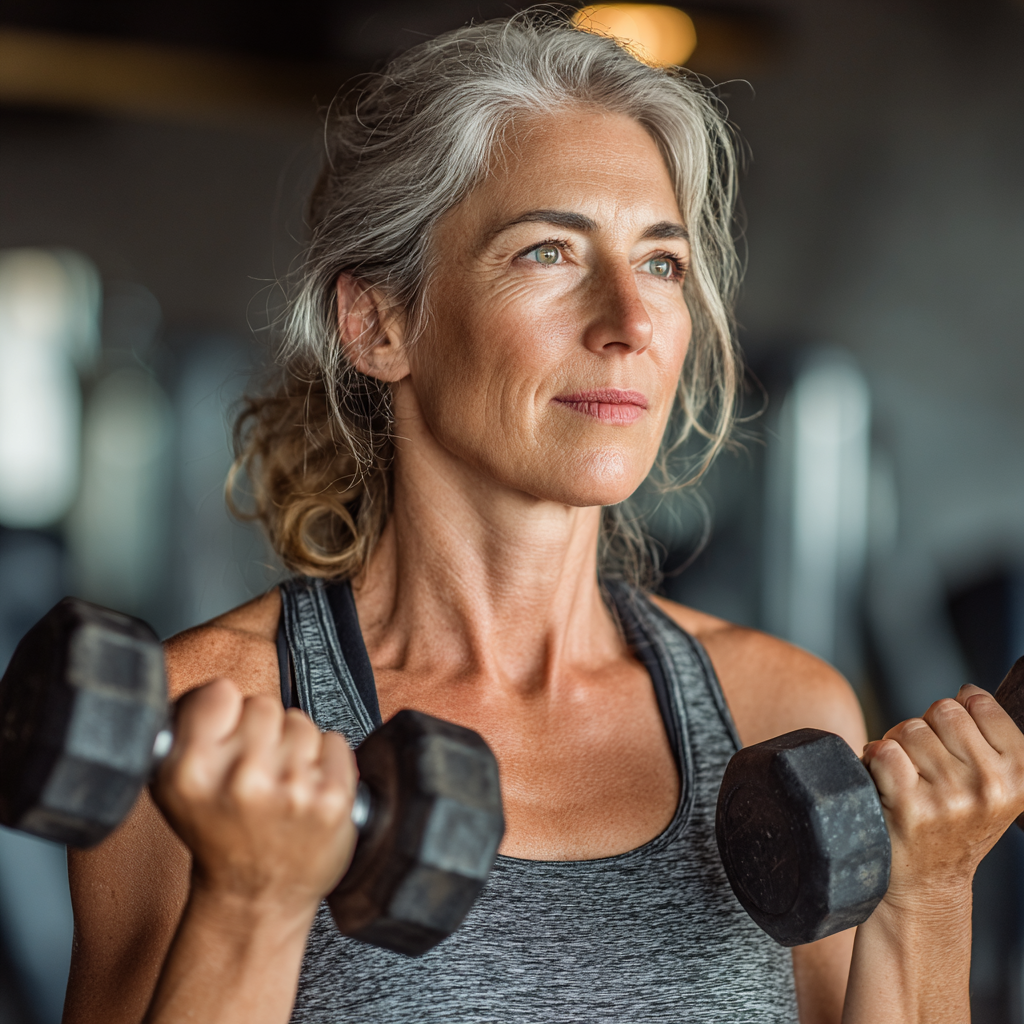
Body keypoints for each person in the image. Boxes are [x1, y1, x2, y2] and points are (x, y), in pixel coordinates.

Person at [63, 14, 1024, 1024]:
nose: (629, 322)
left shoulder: (778, 709)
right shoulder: (206, 721)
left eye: (661, 262)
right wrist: (251, 898)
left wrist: (930, 887)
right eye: (549, 253)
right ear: (381, 322)